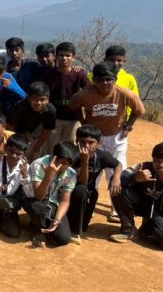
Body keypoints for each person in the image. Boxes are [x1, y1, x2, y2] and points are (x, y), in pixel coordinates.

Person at [69, 62, 145, 221]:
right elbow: (73, 106)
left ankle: (115, 208)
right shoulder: (85, 94)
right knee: (92, 172)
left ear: (115, 79)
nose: (104, 83)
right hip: (93, 139)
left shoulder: (124, 93)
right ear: (94, 80)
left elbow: (139, 110)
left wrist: (128, 126)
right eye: (100, 80)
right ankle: (87, 206)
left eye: (109, 79)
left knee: (116, 173)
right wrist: (84, 123)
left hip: (117, 137)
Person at [110, 142, 163, 250]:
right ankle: (128, 230)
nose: (161, 165)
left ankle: (149, 227)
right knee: (117, 187)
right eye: (156, 160)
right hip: (143, 204)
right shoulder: (143, 167)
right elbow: (116, 179)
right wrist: (134, 178)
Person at [68, 125, 121, 244]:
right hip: (71, 191)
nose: (87, 146)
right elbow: (82, 181)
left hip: (90, 193)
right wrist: (84, 161)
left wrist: (116, 178)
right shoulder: (72, 155)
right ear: (77, 141)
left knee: (84, 227)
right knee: (81, 190)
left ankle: (77, 225)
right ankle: (73, 231)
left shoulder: (102, 156)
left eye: (91, 142)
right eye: (82, 142)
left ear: (99, 143)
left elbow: (118, 164)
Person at [36, 42, 90, 152]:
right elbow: (40, 93)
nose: (64, 58)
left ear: (73, 57)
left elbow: (90, 91)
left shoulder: (79, 74)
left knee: (70, 150)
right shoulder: (48, 74)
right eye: (61, 55)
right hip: (53, 119)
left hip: (73, 119)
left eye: (68, 55)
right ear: (56, 56)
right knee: (52, 149)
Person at [23, 141, 78, 248]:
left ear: (70, 165)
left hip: (53, 205)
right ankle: (39, 230)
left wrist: (57, 220)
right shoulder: (39, 164)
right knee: (36, 207)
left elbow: (64, 201)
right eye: (58, 160)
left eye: (64, 164)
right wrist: (48, 176)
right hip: (35, 200)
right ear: (54, 156)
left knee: (63, 239)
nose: (59, 165)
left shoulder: (71, 174)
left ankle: (43, 224)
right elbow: (39, 196)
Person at [6, 82, 56, 161]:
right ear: (29, 98)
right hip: (18, 132)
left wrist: (36, 149)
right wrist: (13, 145)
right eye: (35, 99)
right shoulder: (19, 108)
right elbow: (9, 128)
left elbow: (46, 131)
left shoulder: (51, 111)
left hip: (36, 134)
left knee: (34, 157)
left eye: (42, 99)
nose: (38, 103)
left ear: (48, 99)